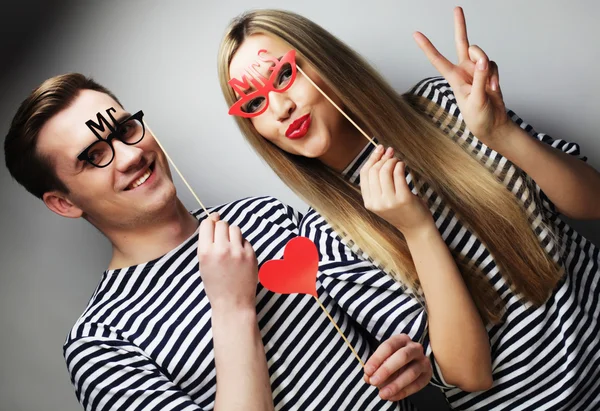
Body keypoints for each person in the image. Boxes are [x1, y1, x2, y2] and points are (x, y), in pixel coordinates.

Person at [218, 7, 600, 410]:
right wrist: (417, 230)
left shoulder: (441, 104)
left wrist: (500, 133)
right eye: (254, 103)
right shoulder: (324, 244)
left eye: (283, 76)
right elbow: (469, 373)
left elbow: (592, 202)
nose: (280, 109)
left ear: (324, 58)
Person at [3, 73, 432, 410]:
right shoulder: (101, 345)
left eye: (126, 128)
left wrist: (410, 361)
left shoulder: (263, 215)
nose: (131, 155)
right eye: (94, 156)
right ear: (63, 203)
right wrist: (231, 307)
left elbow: (417, 334)